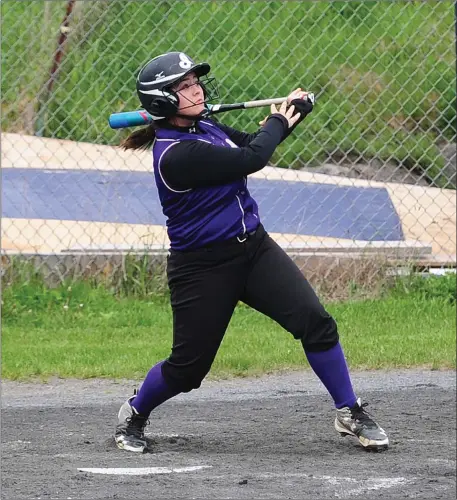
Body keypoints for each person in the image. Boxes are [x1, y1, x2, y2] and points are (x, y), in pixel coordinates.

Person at [115, 51, 389, 453]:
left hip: (254, 250)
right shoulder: (177, 154)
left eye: (195, 82)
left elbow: (247, 146)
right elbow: (252, 158)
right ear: (163, 102)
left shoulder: (203, 127)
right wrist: (278, 121)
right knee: (188, 369)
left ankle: (349, 410)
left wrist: (288, 118)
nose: (197, 89)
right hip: (203, 267)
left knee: (316, 322)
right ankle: (135, 413)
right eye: (185, 86)